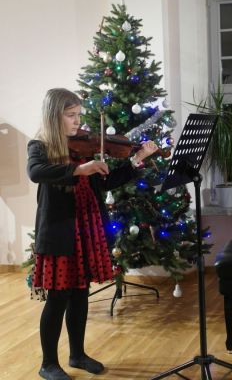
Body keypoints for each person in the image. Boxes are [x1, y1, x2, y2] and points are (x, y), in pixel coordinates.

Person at [27, 88, 159, 380]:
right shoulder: (40, 146)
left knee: (80, 293)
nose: (77, 121)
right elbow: (35, 172)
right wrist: (78, 170)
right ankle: (48, 363)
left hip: (86, 229)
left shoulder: (84, 148)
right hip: (60, 231)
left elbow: (106, 182)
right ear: (54, 116)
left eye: (78, 115)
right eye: (70, 115)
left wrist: (137, 158)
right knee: (58, 297)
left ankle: (77, 354)